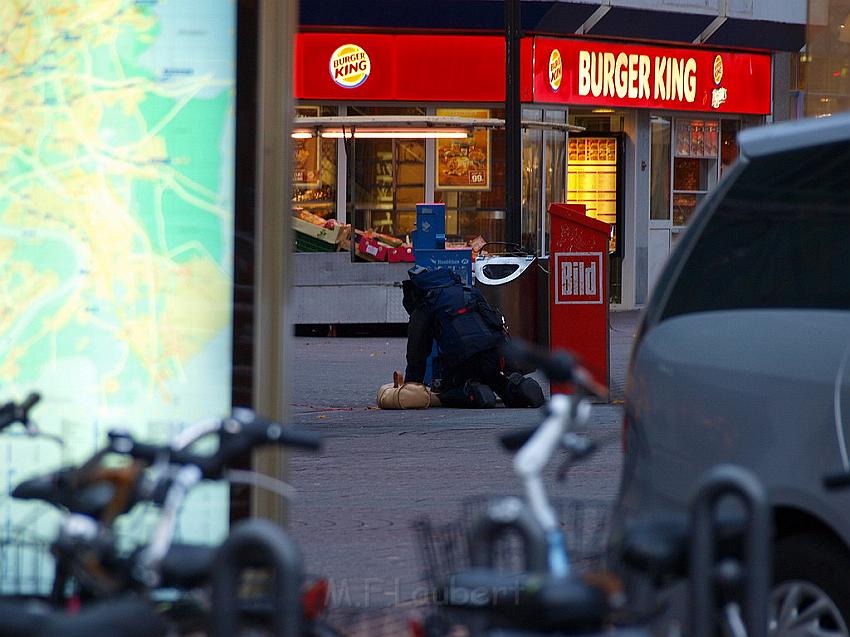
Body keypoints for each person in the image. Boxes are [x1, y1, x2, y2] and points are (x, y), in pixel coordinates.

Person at [401, 265, 545, 409]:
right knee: (496, 380)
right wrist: (512, 370)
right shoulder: (468, 291)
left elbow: (416, 350)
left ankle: (472, 392)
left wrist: (411, 387)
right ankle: (517, 387)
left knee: (446, 391)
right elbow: (496, 327)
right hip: (494, 355)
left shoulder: (426, 302)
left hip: (463, 360)